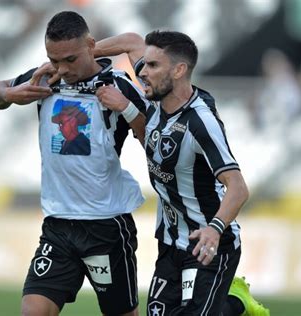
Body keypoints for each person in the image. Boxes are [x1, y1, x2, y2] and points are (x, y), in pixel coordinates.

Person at [90, 31, 270, 316]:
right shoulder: (157, 93)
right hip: (171, 243)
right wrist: (82, 57)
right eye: (144, 64)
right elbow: (131, 42)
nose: (142, 73)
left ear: (178, 70)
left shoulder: (201, 122)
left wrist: (214, 228)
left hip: (209, 244)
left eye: (152, 66)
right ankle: (232, 304)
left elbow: (238, 187)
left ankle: (234, 303)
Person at [0, 11, 150, 316]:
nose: (62, 68)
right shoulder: (46, 76)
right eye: (54, 59)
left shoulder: (118, 84)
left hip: (105, 224)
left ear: (91, 45)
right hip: (58, 224)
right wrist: (10, 93)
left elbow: (151, 140)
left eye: (70, 60)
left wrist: (127, 108)